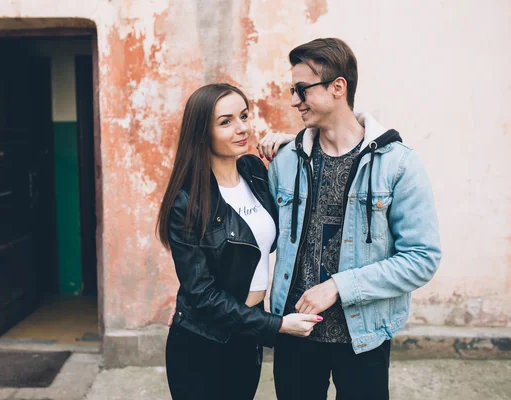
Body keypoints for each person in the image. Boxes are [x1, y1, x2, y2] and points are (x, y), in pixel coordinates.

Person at [258, 38, 442, 400]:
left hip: (364, 336)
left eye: (302, 90)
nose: (295, 101)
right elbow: (257, 239)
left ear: (337, 87)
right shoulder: (286, 161)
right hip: (296, 333)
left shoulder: (398, 164)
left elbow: (422, 259)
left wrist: (339, 286)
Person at [156, 83, 320, 400]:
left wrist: (293, 142)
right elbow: (202, 294)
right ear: (202, 133)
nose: (241, 128)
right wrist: (277, 325)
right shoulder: (187, 201)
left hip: (247, 336)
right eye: (226, 121)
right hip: (202, 340)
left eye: (243, 116)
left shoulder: (253, 170)